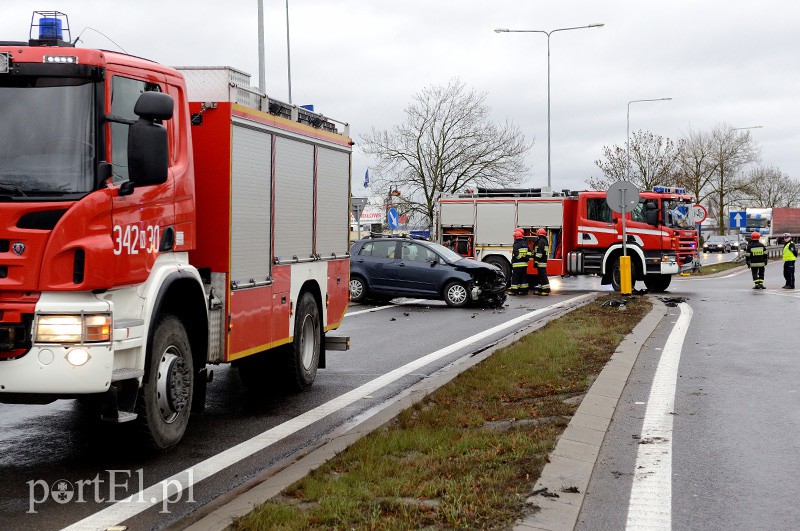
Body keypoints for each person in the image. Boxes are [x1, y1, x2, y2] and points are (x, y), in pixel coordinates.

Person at [509, 228, 529, 295]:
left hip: (517, 264)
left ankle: (515, 291)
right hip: (524, 264)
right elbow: (529, 253)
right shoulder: (525, 243)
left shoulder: (516, 244)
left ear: (515, 237)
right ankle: (524, 291)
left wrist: (516, 258)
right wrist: (525, 257)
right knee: (523, 278)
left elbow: (516, 254)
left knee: (515, 278)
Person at [532, 228, 550, 295]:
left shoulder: (540, 242)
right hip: (542, 261)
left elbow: (539, 253)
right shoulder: (544, 241)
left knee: (542, 276)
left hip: (540, 261)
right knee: (540, 276)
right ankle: (540, 289)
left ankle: (546, 290)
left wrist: (536, 260)